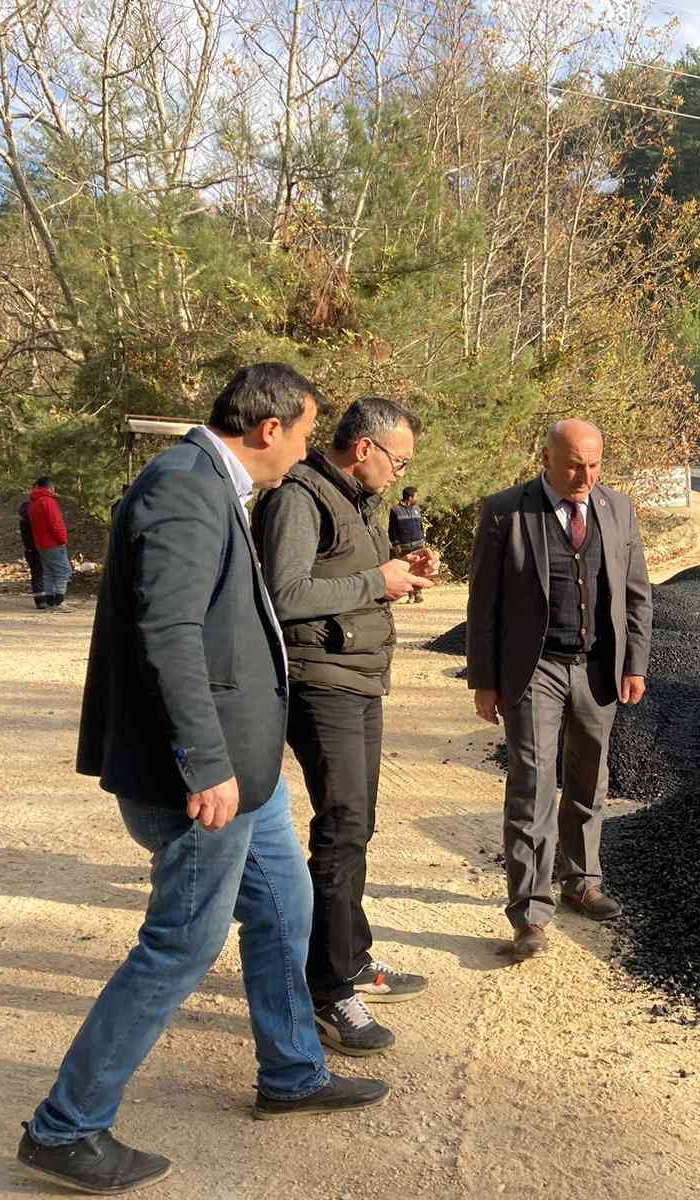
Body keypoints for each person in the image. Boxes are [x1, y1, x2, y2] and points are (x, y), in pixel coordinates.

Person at [17, 363, 387, 1197]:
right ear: (269, 429)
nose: (301, 455)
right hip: (203, 781)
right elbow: (171, 634)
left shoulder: (212, 488)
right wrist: (207, 762)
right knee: (181, 944)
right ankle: (64, 1128)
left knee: (286, 909)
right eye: (300, 436)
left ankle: (292, 1073)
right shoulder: (182, 487)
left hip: (245, 774)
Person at [251, 396, 439, 1056]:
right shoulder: (299, 496)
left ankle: (350, 960)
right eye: (399, 461)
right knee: (340, 827)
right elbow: (283, 593)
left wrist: (399, 576)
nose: (399, 474)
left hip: (358, 678)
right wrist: (375, 583)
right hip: (319, 681)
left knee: (357, 824)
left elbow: (352, 579)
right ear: (364, 448)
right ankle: (330, 991)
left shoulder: (355, 500)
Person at [465, 419, 653, 961]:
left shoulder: (618, 509)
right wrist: (484, 679)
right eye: (574, 464)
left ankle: (582, 881)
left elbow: (636, 594)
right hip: (534, 669)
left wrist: (634, 663)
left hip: (599, 669)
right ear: (545, 458)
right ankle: (529, 912)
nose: (585, 476)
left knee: (591, 781)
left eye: (594, 465)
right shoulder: (506, 511)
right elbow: (483, 604)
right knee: (532, 784)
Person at [26, 476, 73, 611]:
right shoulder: (48, 502)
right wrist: (63, 539)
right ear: (50, 487)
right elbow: (55, 523)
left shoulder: (33, 503)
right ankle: (59, 600)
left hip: (41, 543)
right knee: (63, 571)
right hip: (53, 542)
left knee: (48, 572)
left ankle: (50, 600)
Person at [388, 486, 427, 603]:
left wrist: (423, 538)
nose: (417, 498)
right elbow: (392, 530)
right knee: (407, 571)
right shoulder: (395, 510)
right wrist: (396, 544)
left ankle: (418, 593)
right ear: (410, 497)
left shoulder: (417, 509)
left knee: (419, 570)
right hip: (404, 547)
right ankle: (410, 595)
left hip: (418, 545)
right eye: (416, 496)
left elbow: (420, 525)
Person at [17, 490, 45, 609]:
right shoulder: (36, 521)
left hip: (30, 550)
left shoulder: (24, 521)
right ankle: (45, 599)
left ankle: (40, 600)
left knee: (36, 575)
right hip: (40, 548)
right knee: (41, 574)